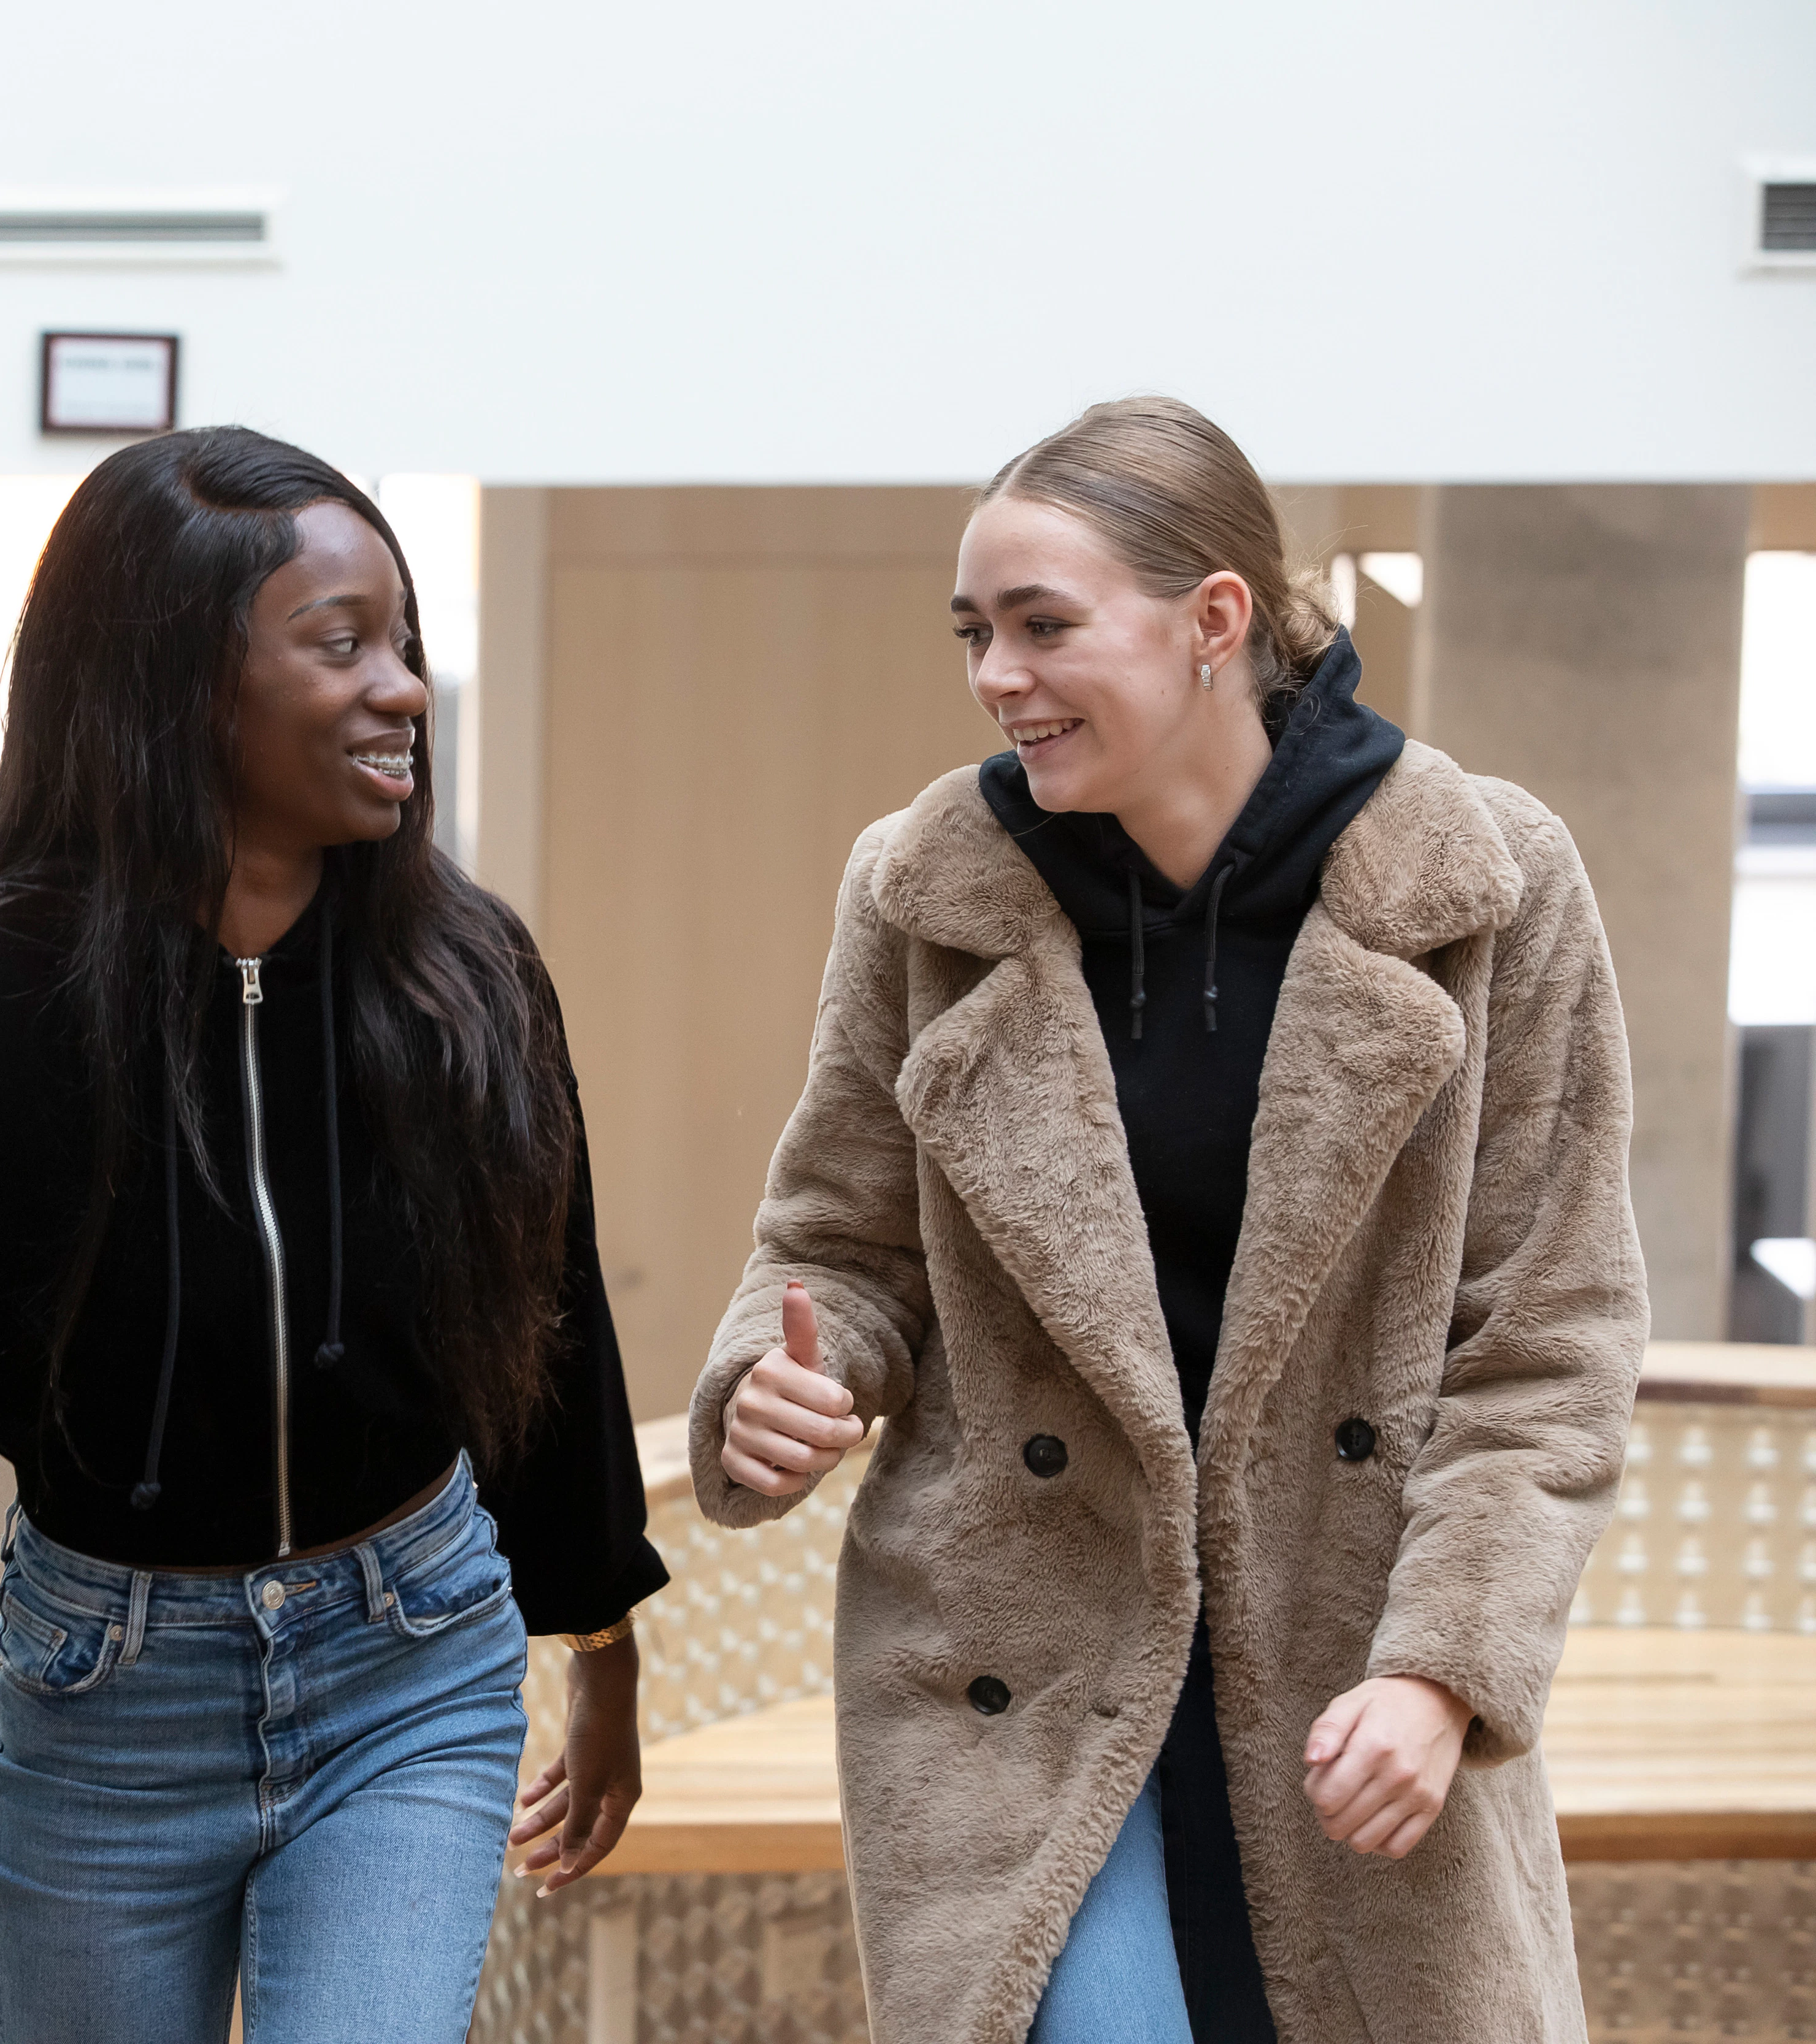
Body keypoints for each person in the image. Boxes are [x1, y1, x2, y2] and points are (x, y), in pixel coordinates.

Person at [689, 396, 1645, 2044]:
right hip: (1024, 1653)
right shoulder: (922, 891)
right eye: (974, 633)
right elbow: (835, 1247)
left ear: (1213, 621)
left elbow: (1544, 1342)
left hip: (1353, 1648)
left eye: (1043, 626)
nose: (996, 675)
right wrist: (790, 1373)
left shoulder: (1488, 883)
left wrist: (1442, 1670)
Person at [0, 427, 667, 2044]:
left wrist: (596, 1634)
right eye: (341, 643)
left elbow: (542, 1323)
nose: (402, 686)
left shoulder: (463, 975)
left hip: (409, 1669)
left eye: (402, 637)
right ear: (176, 683)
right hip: (104, 1707)